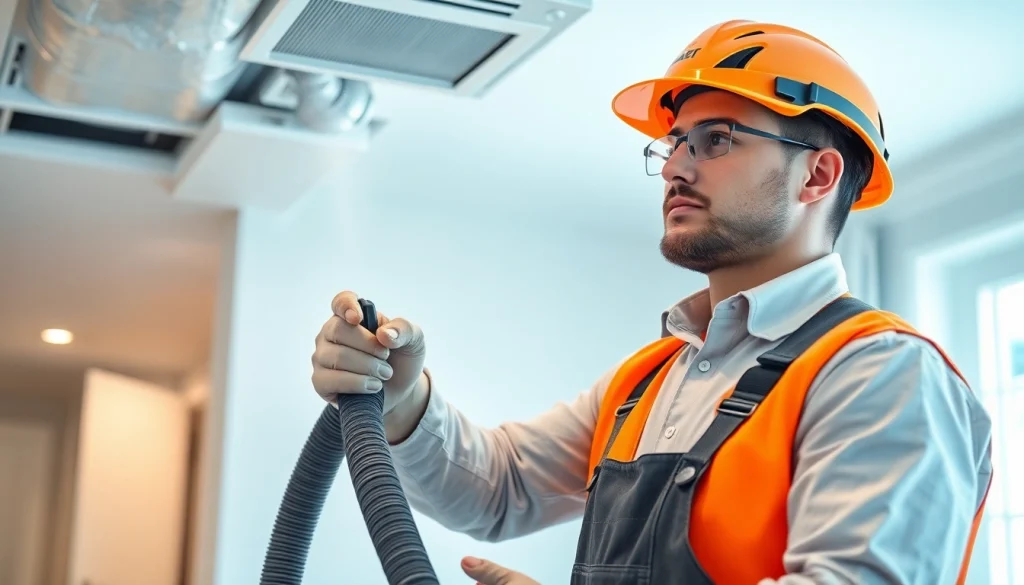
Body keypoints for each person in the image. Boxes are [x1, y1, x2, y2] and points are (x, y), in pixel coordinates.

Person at [310, 19, 994, 585]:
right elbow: (501, 486)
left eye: (716, 139)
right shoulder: (649, 379)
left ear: (818, 174)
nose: (673, 165)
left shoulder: (881, 375)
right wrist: (400, 399)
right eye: (673, 142)